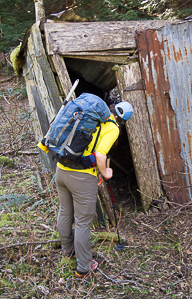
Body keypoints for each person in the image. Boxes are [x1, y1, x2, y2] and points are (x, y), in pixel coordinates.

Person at [55, 100, 133, 278]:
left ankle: (68, 251)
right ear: (123, 120)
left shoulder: (91, 117)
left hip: (61, 170)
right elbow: (99, 154)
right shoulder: (112, 128)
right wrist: (106, 172)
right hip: (81, 177)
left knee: (65, 212)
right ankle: (84, 267)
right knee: (82, 221)